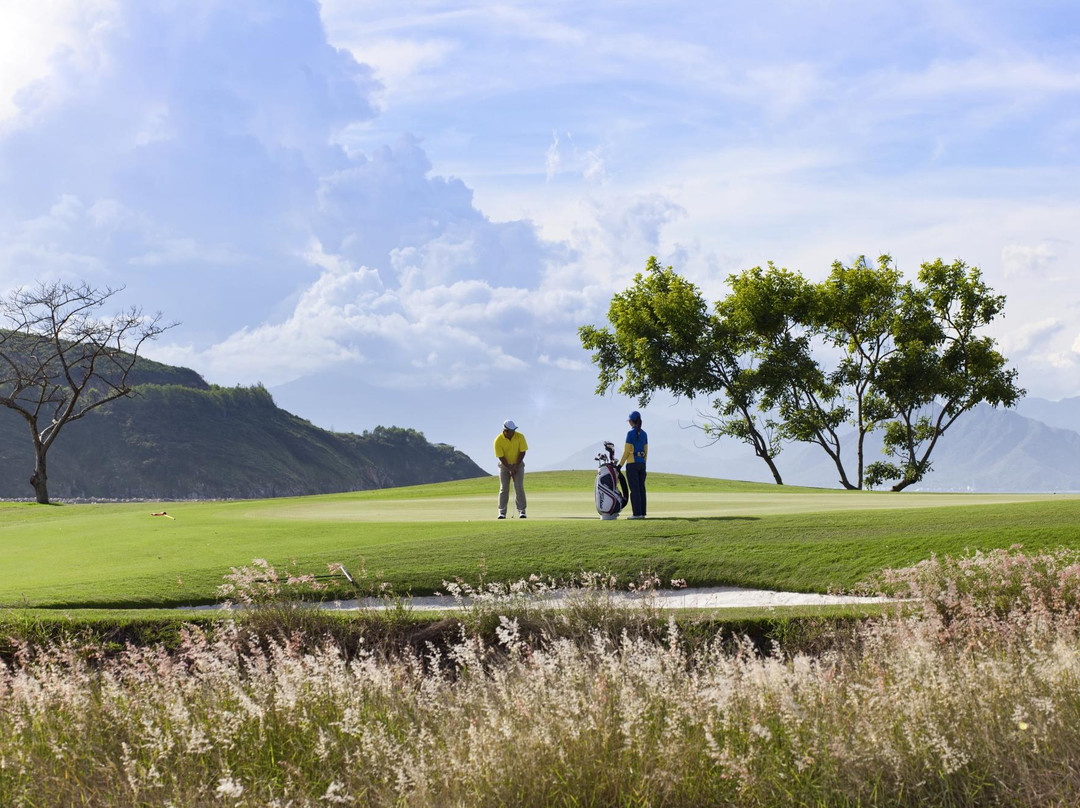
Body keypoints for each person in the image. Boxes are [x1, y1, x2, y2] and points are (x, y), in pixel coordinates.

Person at [494, 419, 528, 519]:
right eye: (510, 431)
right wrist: (509, 468)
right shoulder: (498, 440)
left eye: (513, 430)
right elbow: (500, 456)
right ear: (505, 431)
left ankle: (522, 511)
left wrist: (516, 466)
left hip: (518, 463)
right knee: (504, 488)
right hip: (504, 466)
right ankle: (502, 512)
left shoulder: (520, 436)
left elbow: (522, 452)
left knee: (519, 487)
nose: (513, 433)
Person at [618, 410, 648, 518]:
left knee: (634, 490)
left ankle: (636, 514)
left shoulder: (630, 434)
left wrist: (619, 465)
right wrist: (643, 463)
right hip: (642, 464)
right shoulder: (644, 434)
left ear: (631, 421)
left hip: (632, 464)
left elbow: (626, 452)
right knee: (641, 489)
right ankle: (642, 513)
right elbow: (646, 451)